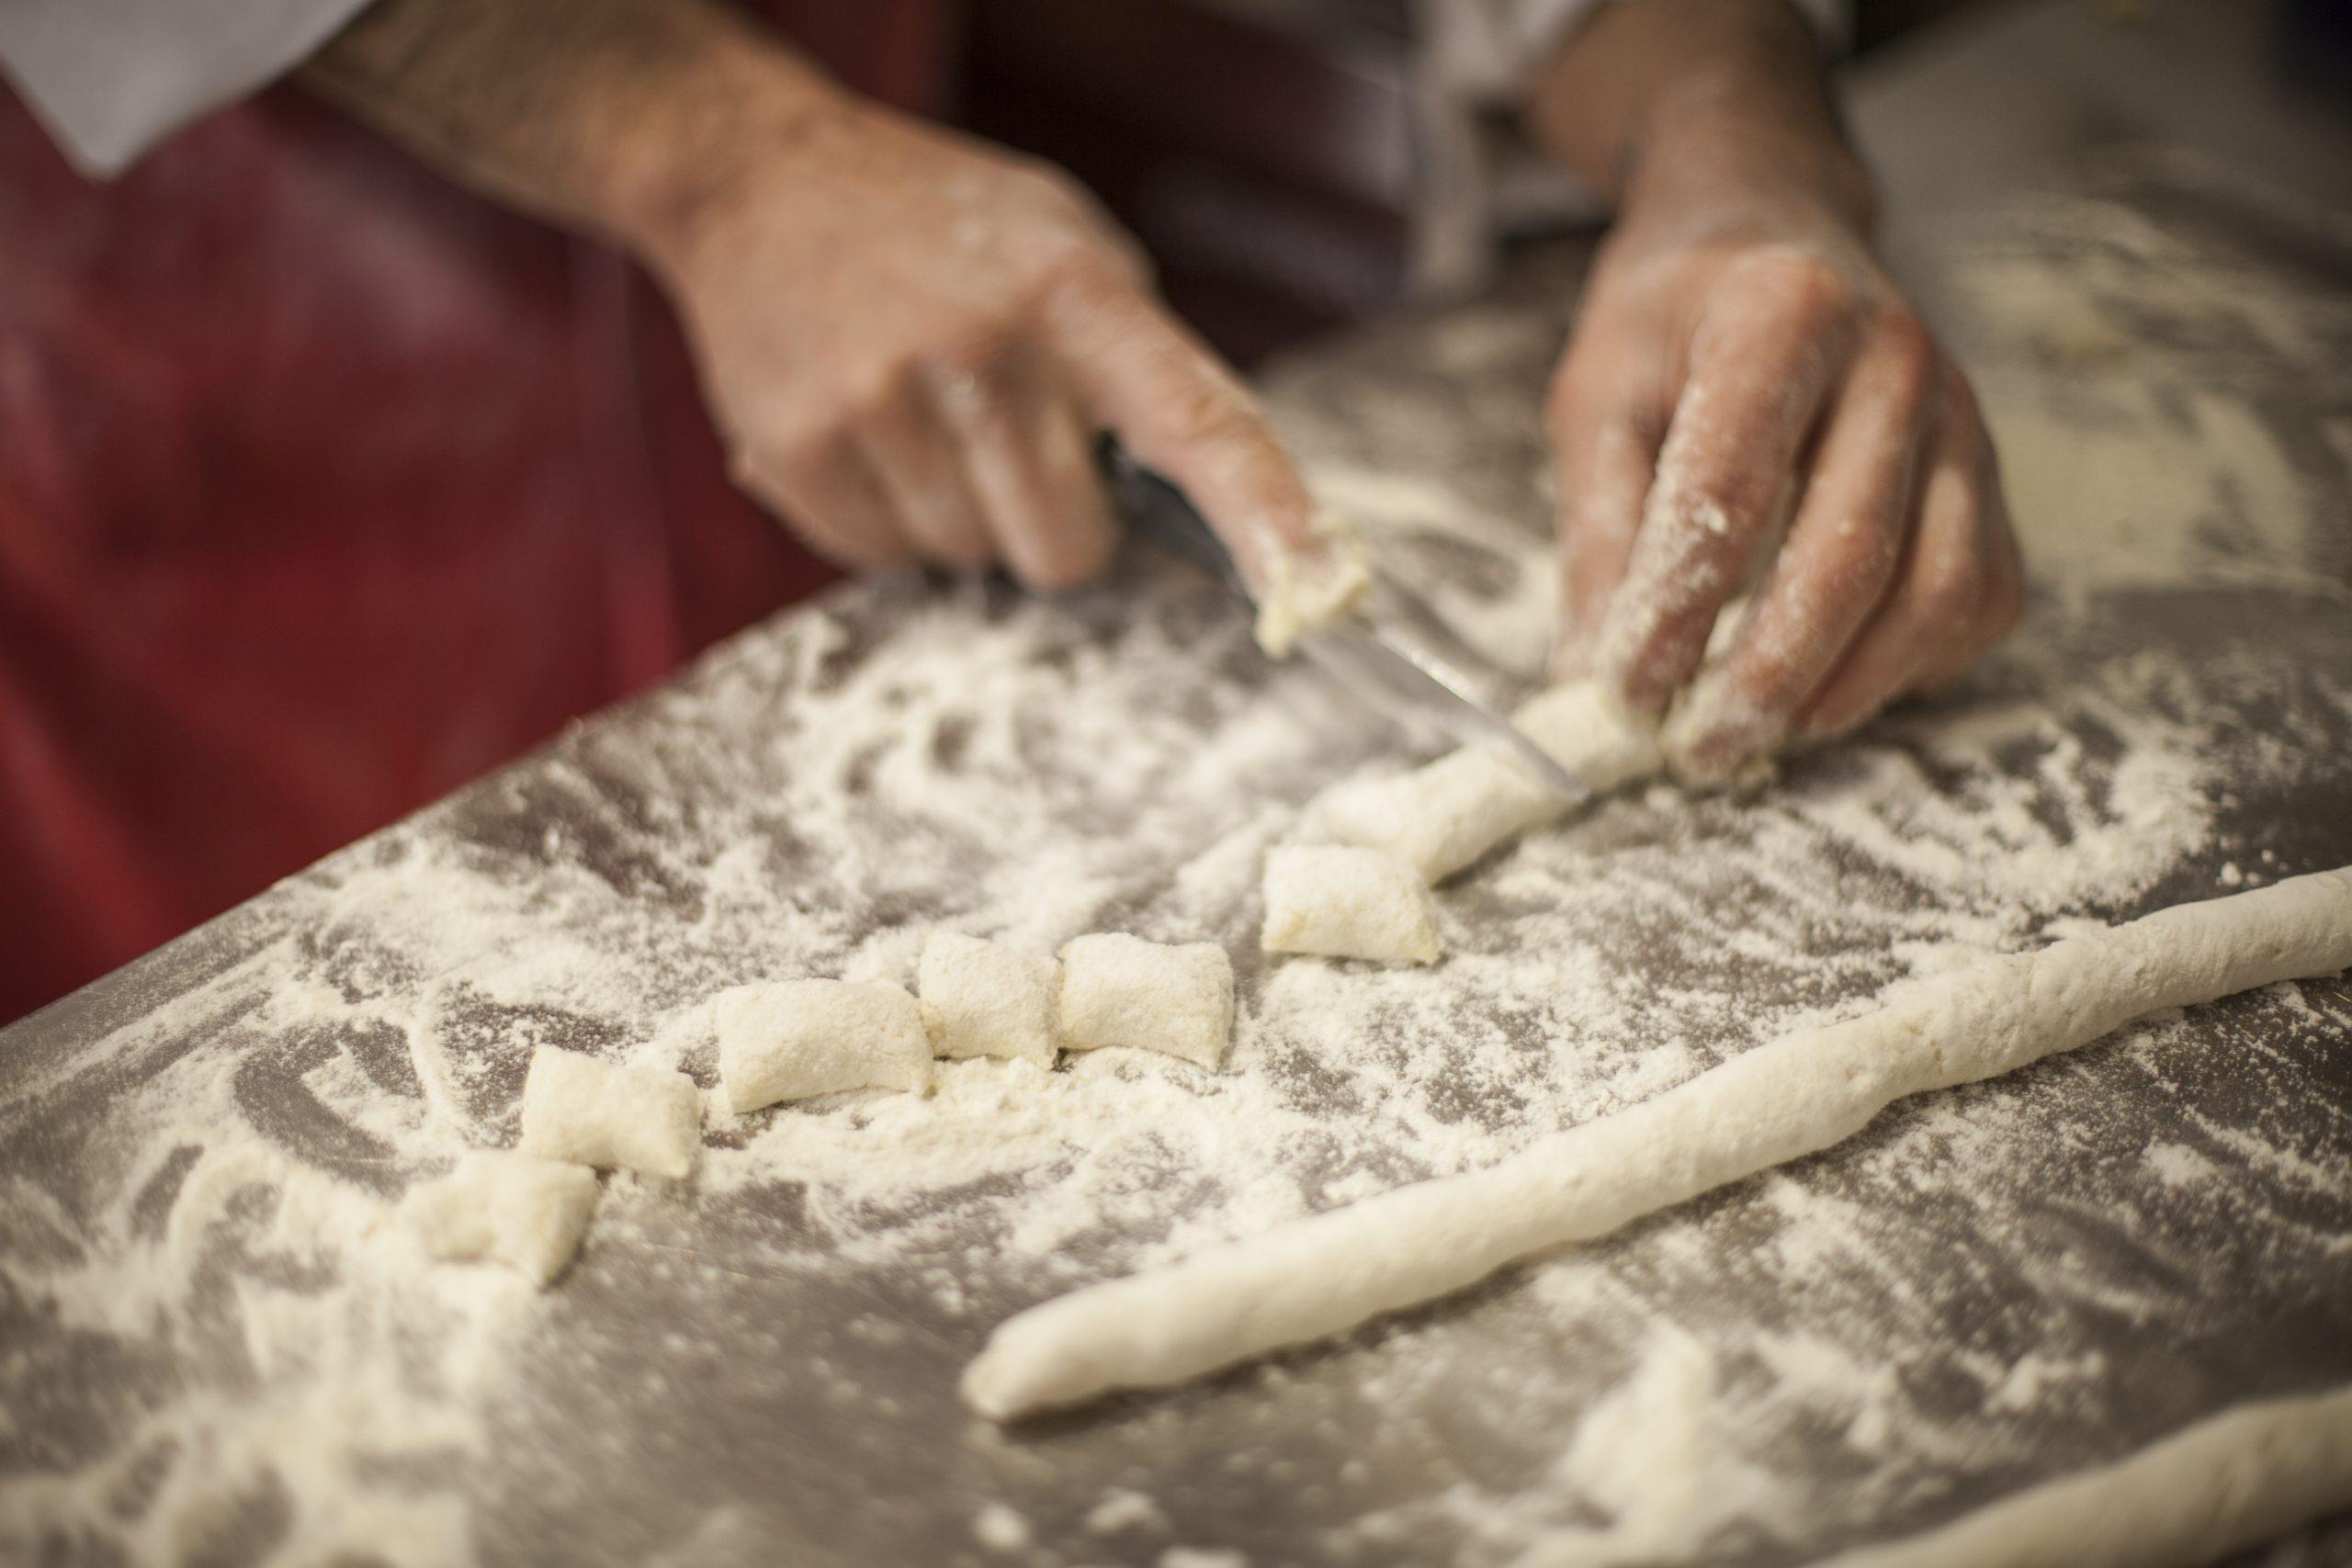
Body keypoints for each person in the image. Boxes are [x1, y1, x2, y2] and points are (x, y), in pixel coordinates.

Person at [0, 0, 2018, 1017]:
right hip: (228, 310)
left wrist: (1722, 131)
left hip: (842, 163)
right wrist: (697, 149)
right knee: (351, 992)